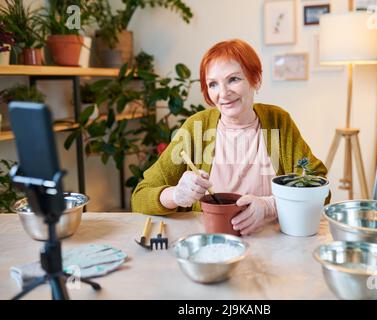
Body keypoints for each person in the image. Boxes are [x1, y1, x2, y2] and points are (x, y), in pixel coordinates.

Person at [131, 39, 329, 235]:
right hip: (212, 245)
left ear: (256, 80)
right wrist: (175, 195)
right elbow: (140, 197)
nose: (223, 93)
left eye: (233, 79)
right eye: (213, 84)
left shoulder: (278, 122)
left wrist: (272, 206)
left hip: (272, 243)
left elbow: (320, 186)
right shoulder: (197, 128)